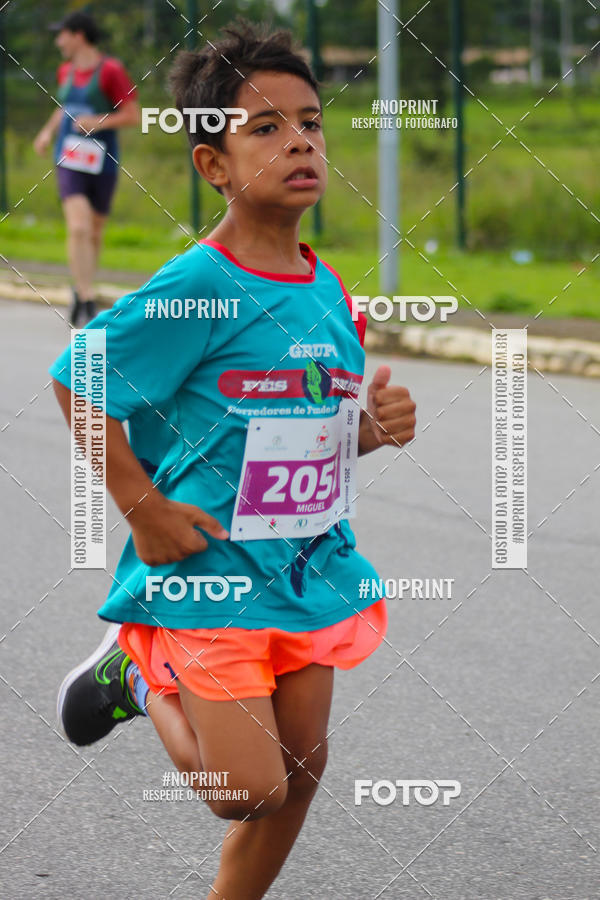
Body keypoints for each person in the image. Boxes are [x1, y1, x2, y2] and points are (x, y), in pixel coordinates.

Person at [49, 20, 416, 899]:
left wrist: (371, 429)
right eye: (266, 128)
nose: (300, 141)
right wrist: (142, 509)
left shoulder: (329, 289)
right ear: (213, 164)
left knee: (303, 767)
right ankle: (136, 672)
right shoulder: (200, 285)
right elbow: (79, 376)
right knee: (245, 788)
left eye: (311, 123)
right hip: (207, 573)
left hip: (307, 568)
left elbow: (314, 430)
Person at [33, 12, 139, 326]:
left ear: (78, 36)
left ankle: (81, 289)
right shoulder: (65, 71)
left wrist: (98, 122)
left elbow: (133, 115)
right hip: (69, 158)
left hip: (102, 159)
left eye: (62, 34)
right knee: (78, 226)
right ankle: (87, 295)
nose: (58, 42)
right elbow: (64, 106)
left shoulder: (111, 71)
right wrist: (46, 131)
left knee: (93, 231)